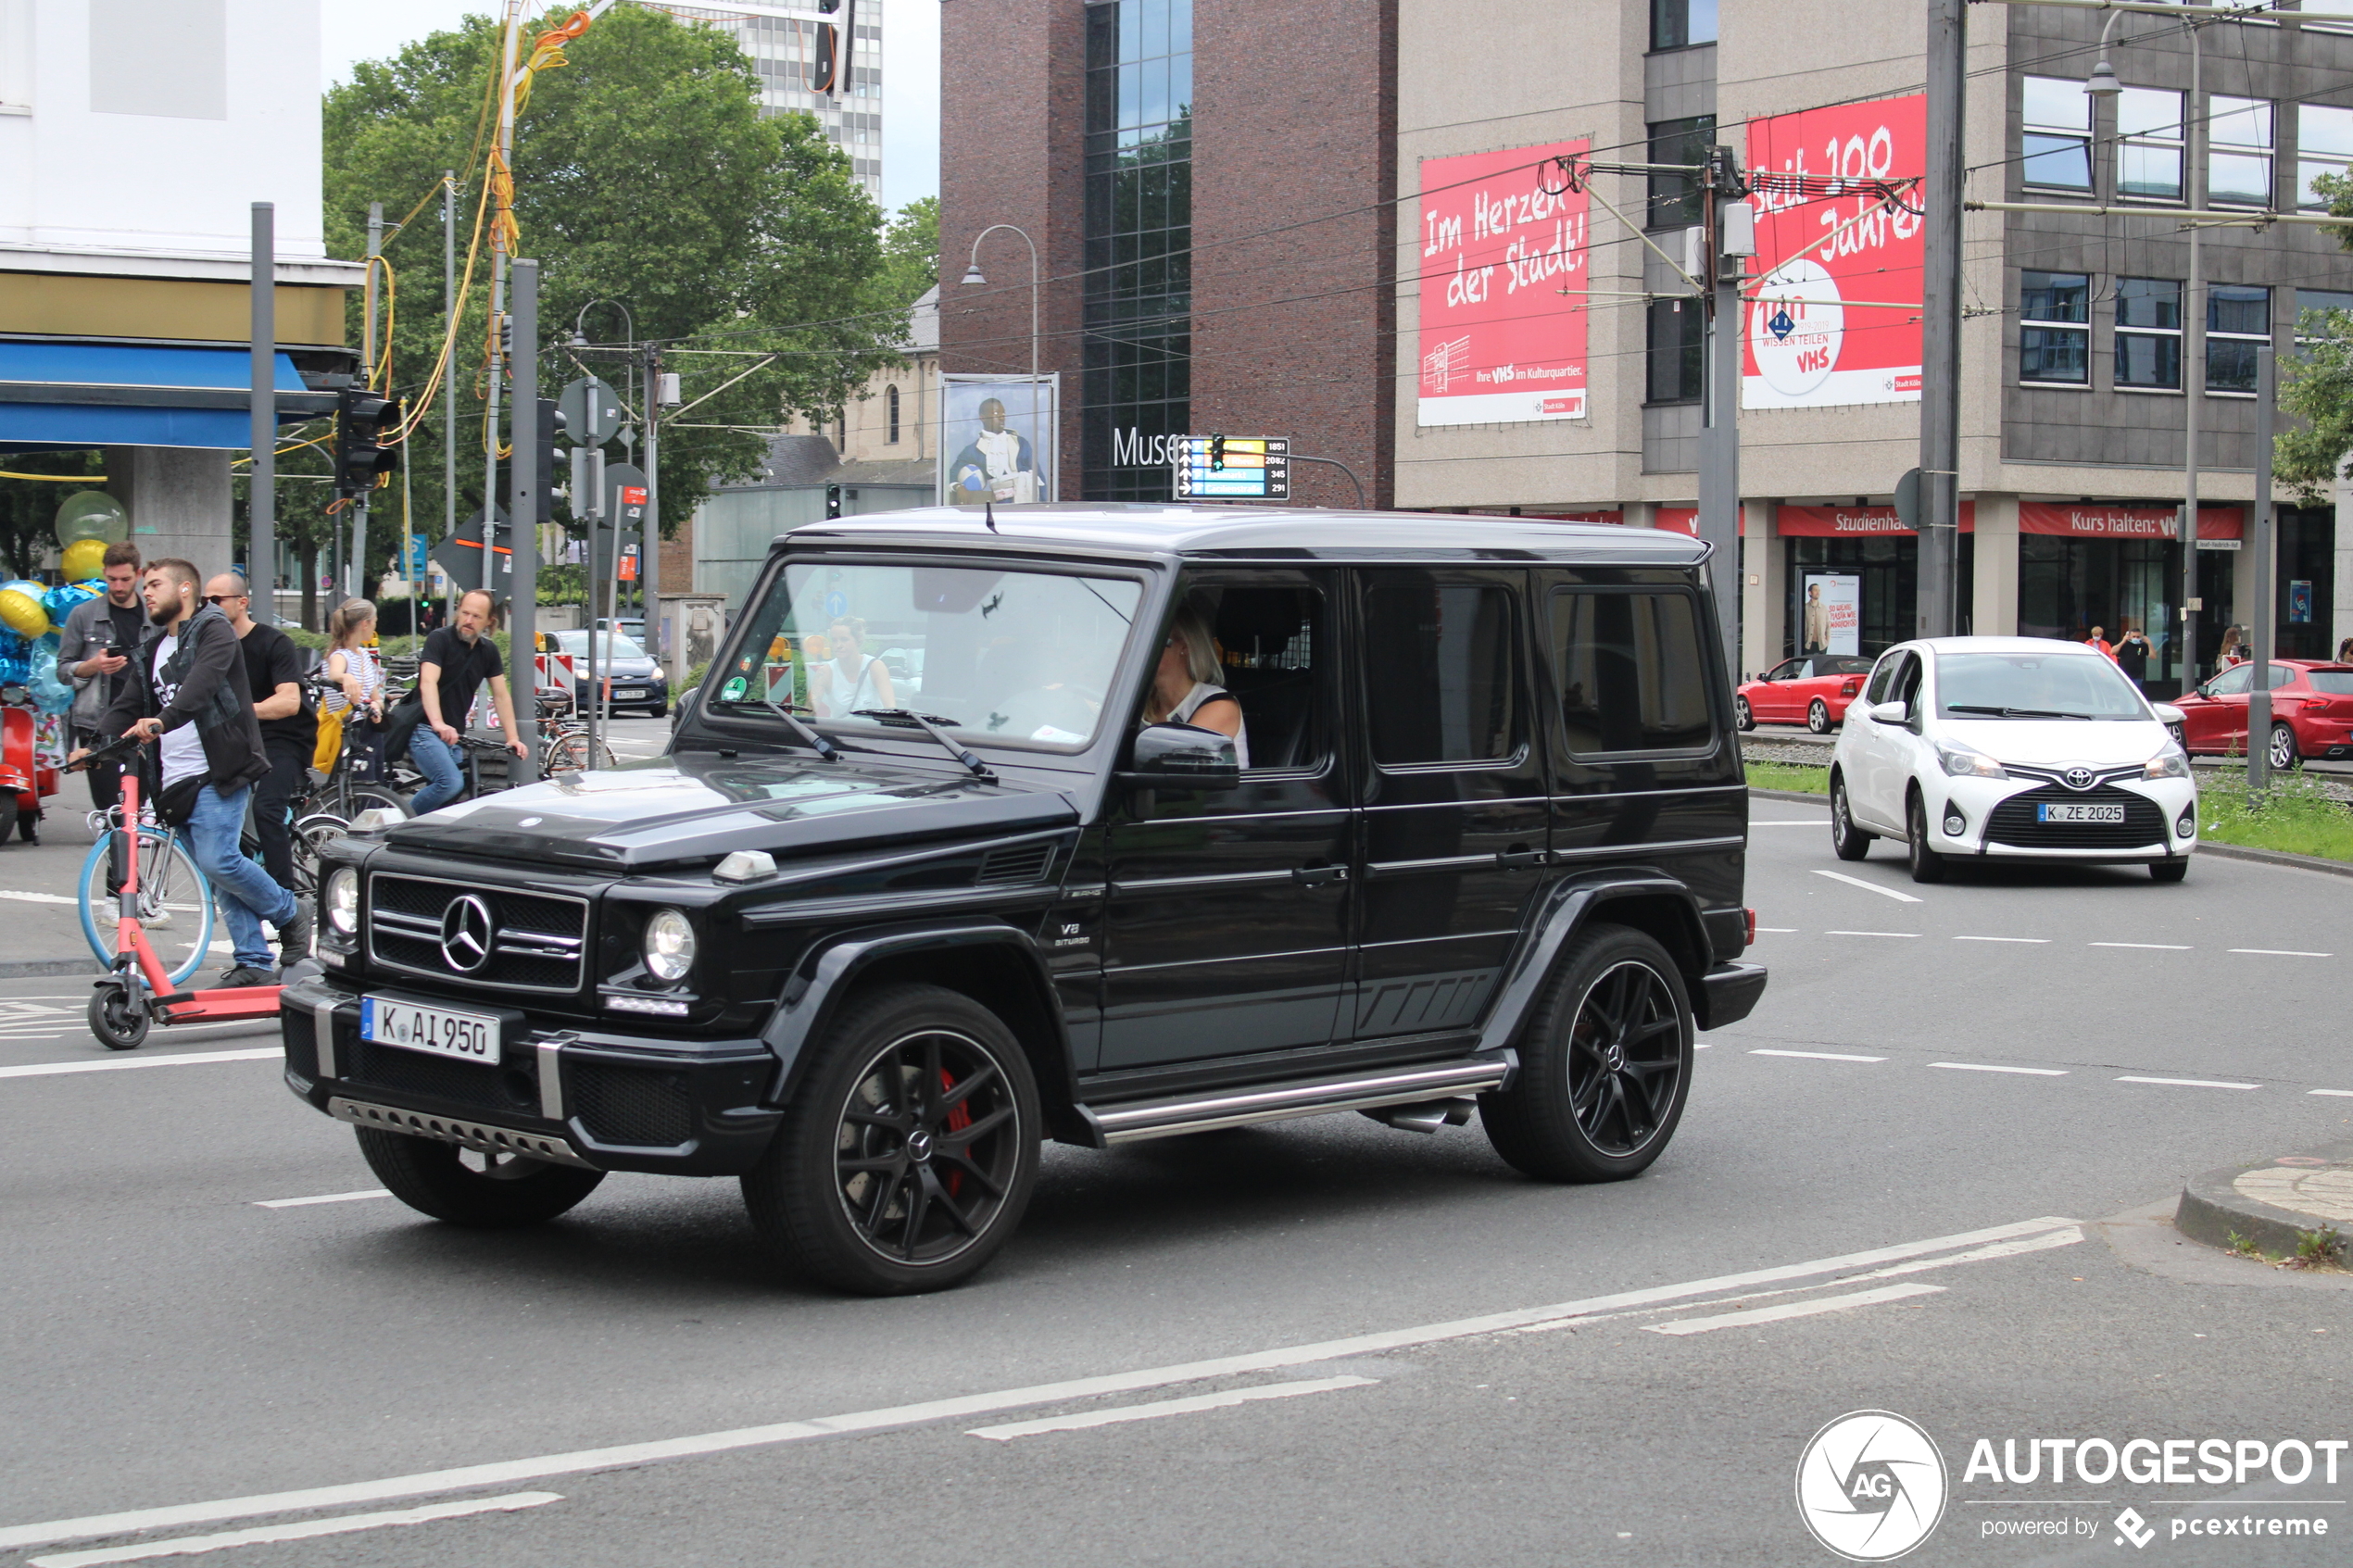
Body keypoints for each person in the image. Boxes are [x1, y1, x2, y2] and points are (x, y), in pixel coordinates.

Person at [80, 559, 308, 986]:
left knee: (219, 859)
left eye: (155, 584)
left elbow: (202, 685)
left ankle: (290, 911)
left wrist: (163, 720)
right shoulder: (152, 648)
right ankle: (254, 961)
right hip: (172, 779)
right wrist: (94, 747)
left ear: (185, 589)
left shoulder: (212, 629)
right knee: (217, 872)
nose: (146, 593)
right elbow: (129, 703)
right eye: (144, 586)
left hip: (217, 768)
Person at [208, 573, 314, 897]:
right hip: (236, 740)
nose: (208, 608)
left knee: (267, 809)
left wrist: (242, 710)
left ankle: (283, 901)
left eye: (216, 601)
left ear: (242, 603)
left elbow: (290, 701)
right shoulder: (211, 647)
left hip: (282, 739)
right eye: (203, 602)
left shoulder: (272, 642)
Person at [411, 588, 528, 813]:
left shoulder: (488, 651)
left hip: (454, 735)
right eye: (465, 613)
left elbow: (501, 695)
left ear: (489, 621)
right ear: (457, 611)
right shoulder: (440, 639)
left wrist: (513, 737)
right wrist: (437, 723)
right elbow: (428, 682)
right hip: (424, 727)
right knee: (450, 783)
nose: (468, 620)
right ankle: (397, 823)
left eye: (476, 617)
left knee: (450, 797)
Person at [56, 543, 146, 815]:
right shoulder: (83, 615)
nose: (118, 586)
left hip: (143, 724)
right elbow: (62, 671)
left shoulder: (154, 618)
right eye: (112, 579)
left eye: (125, 579)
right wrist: (93, 665)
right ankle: (115, 856)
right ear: (104, 573)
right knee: (112, 811)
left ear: (138, 575)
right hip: (98, 726)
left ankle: (132, 856)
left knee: (141, 811)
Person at [1142, 603, 1248, 766]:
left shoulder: (1219, 705)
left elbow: (1169, 764)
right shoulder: (1139, 701)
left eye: (1156, 639)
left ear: (1184, 647)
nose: (1142, 648)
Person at [321, 597, 387, 778]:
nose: (375, 627)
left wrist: (377, 705)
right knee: (364, 783)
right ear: (365, 624)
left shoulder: (363, 654)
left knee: (377, 779)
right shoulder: (340, 655)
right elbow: (334, 674)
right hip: (351, 728)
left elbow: (375, 696)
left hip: (369, 725)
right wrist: (346, 676)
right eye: (374, 622)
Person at [949, 397, 1040, 506]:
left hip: (1024, 501)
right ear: (982, 417)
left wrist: (1044, 506)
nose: (1002, 417)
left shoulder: (1020, 443)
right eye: (996, 413)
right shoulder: (973, 450)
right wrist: (959, 487)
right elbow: (952, 475)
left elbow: (1038, 475)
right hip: (993, 504)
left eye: (1003, 414)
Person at [808, 616, 895, 717]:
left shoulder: (875, 667)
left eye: (844, 639)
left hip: (872, 731)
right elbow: (808, 713)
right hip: (840, 731)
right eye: (834, 640)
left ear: (858, 640)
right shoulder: (825, 672)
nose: (838, 645)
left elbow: (890, 709)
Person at [2115, 621, 2153, 689]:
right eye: (2134, 636)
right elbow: (2113, 651)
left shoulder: (2143, 645)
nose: (2136, 638)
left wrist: (2149, 644)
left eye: (2138, 637)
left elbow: (2153, 656)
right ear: (2129, 637)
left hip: (2137, 676)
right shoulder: (2124, 645)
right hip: (2125, 675)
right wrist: (2123, 641)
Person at [1802, 583, 1829, 655]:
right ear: (1810, 592)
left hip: (1822, 645)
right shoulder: (1805, 608)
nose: (1818, 592)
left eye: (1819, 590)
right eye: (1815, 590)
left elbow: (1828, 626)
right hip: (1808, 644)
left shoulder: (1824, 608)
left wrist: (1827, 642)